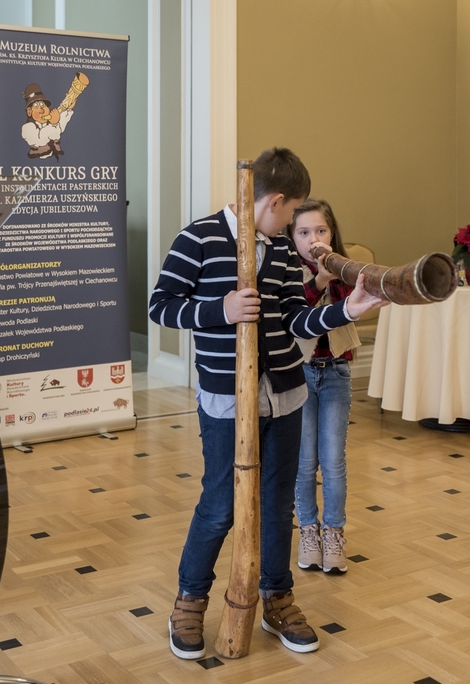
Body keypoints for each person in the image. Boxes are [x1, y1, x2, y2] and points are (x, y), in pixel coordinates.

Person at [148, 148, 386, 660]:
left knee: (278, 505)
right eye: (293, 210)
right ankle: (190, 600)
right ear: (276, 201)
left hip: (286, 394)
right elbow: (160, 306)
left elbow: (296, 319)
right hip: (226, 399)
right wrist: (222, 309)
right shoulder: (198, 237)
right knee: (220, 505)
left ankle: (277, 598)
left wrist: (348, 309)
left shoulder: (278, 249)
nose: (295, 224)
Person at [286, 199, 360, 576]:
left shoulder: (343, 268)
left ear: (332, 234)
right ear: (292, 236)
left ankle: (333, 533)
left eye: (320, 230)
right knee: (304, 462)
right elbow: (296, 312)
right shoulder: (286, 272)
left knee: (333, 461)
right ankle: (308, 532)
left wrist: (334, 271)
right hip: (299, 373)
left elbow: (352, 306)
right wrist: (317, 279)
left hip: (335, 372)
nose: (313, 238)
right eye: (303, 232)